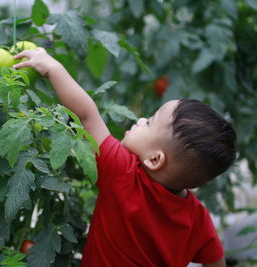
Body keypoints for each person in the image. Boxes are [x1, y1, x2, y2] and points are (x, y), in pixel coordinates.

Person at [13, 47, 236, 267]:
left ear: (155, 160)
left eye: (149, 122)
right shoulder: (198, 219)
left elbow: (86, 116)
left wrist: (53, 67)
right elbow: (216, 260)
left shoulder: (123, 173)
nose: (140, 119)